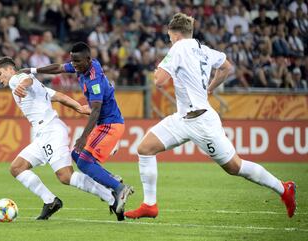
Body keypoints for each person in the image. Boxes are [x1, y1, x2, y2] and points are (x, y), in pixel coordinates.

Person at [124, 13, 296, 219]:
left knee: (235, 167)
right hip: (183, 118)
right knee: (145, 148)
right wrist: (210, 89)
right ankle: (149, 205)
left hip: (201, 123)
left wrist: (157, 71)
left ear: (176, 35)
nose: (169, 40)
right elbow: (226, 67)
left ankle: (283, 188)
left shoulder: (179, 47)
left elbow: (160, 80)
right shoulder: (203, 50)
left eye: (169, 36)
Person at [0, 56, 124, 221]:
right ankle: (50, 201)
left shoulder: (16, 80)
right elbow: (59, 96)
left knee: (65, 176)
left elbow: (25, 80)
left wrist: (21, 85)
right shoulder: (37, 86)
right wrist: (79, 108)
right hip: (43, 135)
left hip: (51, 131)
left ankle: (111, 197)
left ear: (10, 69)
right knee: (17, 168)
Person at [19, 42, 134, 220]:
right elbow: (58, 67)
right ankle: (111, 180)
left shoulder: (94, 80)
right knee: (76, 155)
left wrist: (83, 136)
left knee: (84, 163)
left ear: (88, 60)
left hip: (109, 124)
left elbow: (95, 111)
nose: (74, 65)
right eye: (72, 61)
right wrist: (33, 70)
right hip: (104, 123)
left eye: (77, 62)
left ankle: (119, 189)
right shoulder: (83, 66)